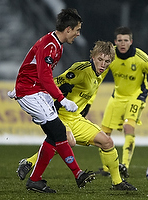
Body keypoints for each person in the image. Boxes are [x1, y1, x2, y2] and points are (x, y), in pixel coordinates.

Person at [16, 41, 137, 191]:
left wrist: (85, 106)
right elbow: (52, 82)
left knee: (107, 143)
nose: (103, 64)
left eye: (107, 61)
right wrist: (61, 91)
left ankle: (117, 183)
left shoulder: (100, 73)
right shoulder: (80, 70)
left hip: (75, 118)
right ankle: (32, 165)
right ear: (92, 57)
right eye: (100, 59)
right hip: (59, 116)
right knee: (68, 141)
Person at [7, 8, 95, 193]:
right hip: (30, 93)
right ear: (68, 29)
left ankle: (35, 180)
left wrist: (56, 91)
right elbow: (44, 75)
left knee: (55, 136)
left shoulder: (56, 45)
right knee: (59, 132)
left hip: (36, 91)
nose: (78, 34)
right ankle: (77, 174)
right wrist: (61, 99)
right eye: (77, 30)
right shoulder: (49, 45)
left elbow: (39, 71)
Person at [99, 26, 148, 178]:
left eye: (126, 40)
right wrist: (86, 102)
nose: (122, 44)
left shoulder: (141, 58)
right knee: (103, 133)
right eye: (119, 40)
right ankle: (106, 168)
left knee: (128, 126)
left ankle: (124, 165)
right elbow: (96, 77)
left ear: (131, 41)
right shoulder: (109, 55)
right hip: (117, 96)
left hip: (136, 96)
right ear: (115, 42)